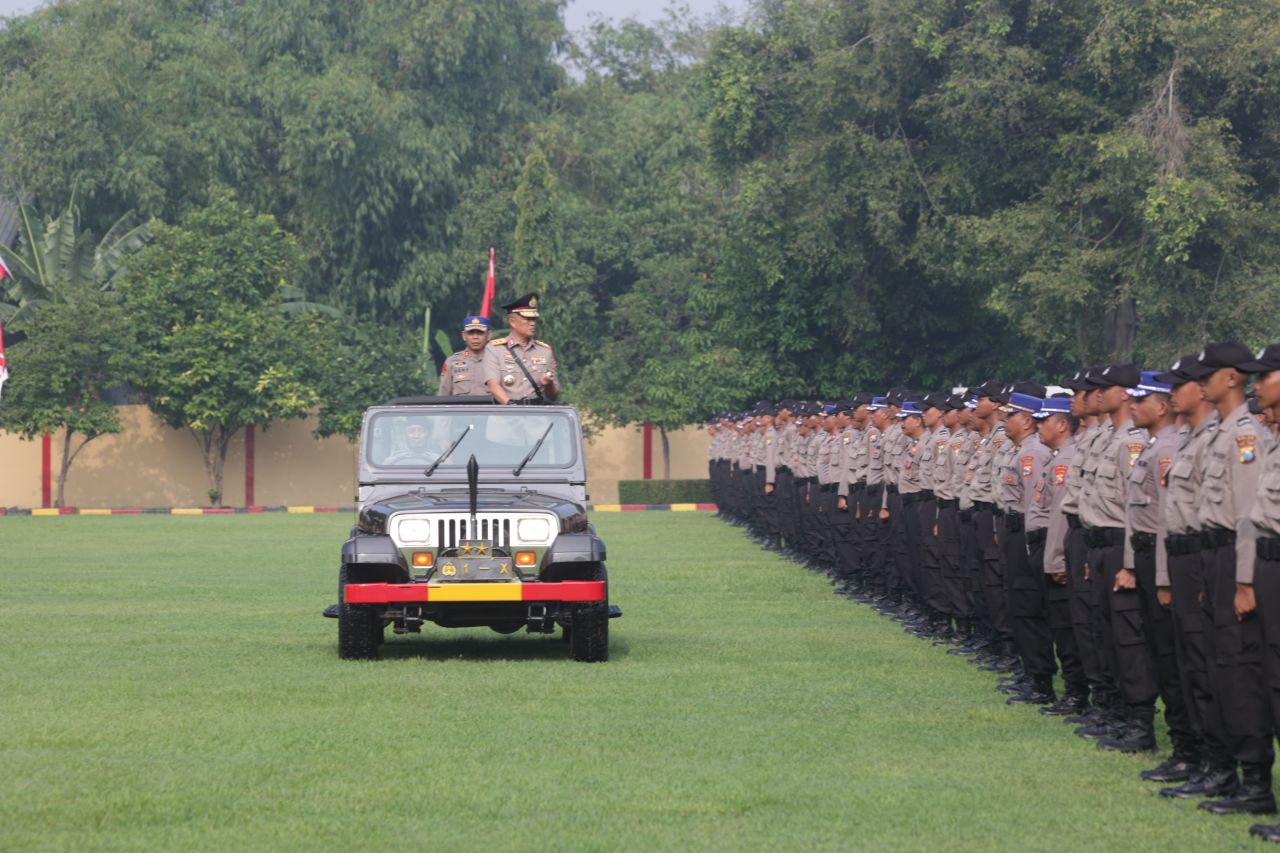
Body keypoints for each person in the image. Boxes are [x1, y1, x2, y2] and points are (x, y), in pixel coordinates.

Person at [484, 293, 560, 404]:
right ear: (512, 322)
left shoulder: (545, 351)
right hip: (505, 416)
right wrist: (512, 407)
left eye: (534, 319)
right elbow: (493, 386)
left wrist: (548, 384)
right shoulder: (495, 349)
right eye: (528, 319)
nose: (532, 323)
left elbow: (554, 396)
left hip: (536, 416)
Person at [438, 315, 492, 396]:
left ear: (489, 335)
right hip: (461, 408)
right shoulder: (452, 362)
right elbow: (443, 395)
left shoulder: (497, 361)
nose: (475, 337)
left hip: (490, 408)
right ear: (464, 336)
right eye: (471, 333)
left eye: (480, 333)